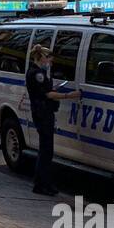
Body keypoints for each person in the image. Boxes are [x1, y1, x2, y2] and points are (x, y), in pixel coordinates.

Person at [24, 45, 81, 197]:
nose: (50, 62)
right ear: (41, 57)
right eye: (48, 59)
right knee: (46, 151)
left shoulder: (37, 72)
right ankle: (42, 184)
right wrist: (69, 95)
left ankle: (42, 183)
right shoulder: (37, 74)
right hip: (43, 113)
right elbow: (47, 94)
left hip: (42, 112)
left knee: (46, 150)